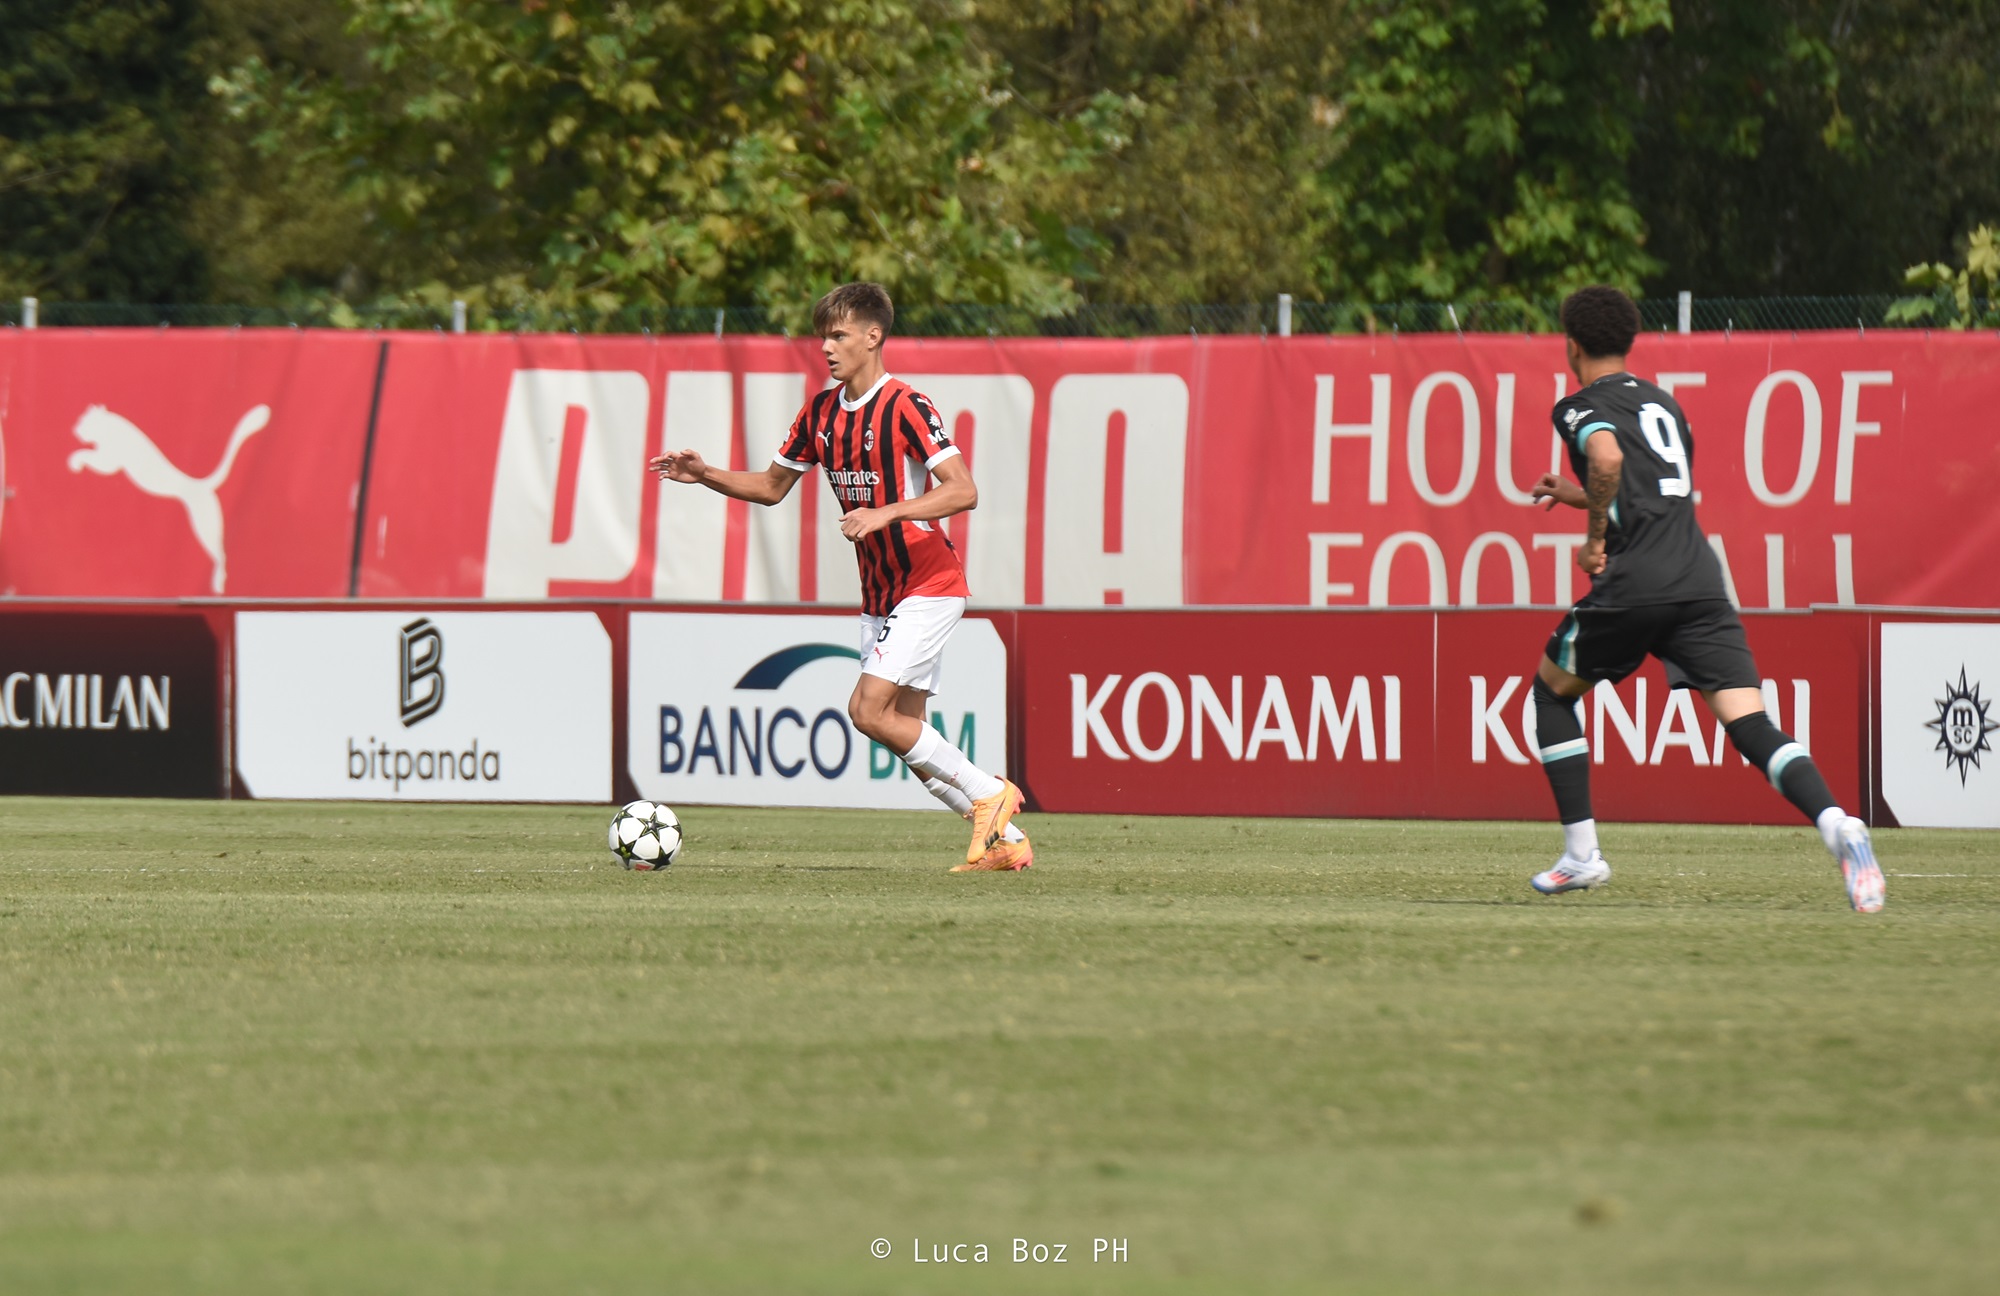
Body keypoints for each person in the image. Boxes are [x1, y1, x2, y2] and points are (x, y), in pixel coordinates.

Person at [1525, 285, 1884, 912]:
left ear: (1572, 345)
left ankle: (1582, 856)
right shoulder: (1663, 403)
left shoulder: (1579, 406)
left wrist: (1593, 539)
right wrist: (1577, 493)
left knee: (1551, 692)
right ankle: (1839, 826)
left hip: (1636, 584)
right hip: (1698, 582)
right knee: (1751, 724)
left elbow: (1606, 459)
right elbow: (1650, 491)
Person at [649, 282, 1030, 872]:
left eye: (839, 335)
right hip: (879, 596)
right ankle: (1007, 843)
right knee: (904, 731)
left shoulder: (906, 404)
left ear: (873, 337)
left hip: (929, 582)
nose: (826, 347)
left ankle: (989, 793)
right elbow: (771, 487)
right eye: (823, 337)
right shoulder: (820, 413)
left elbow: (964, 490)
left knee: (867, 712)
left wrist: (887, 512)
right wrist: (706, 475)